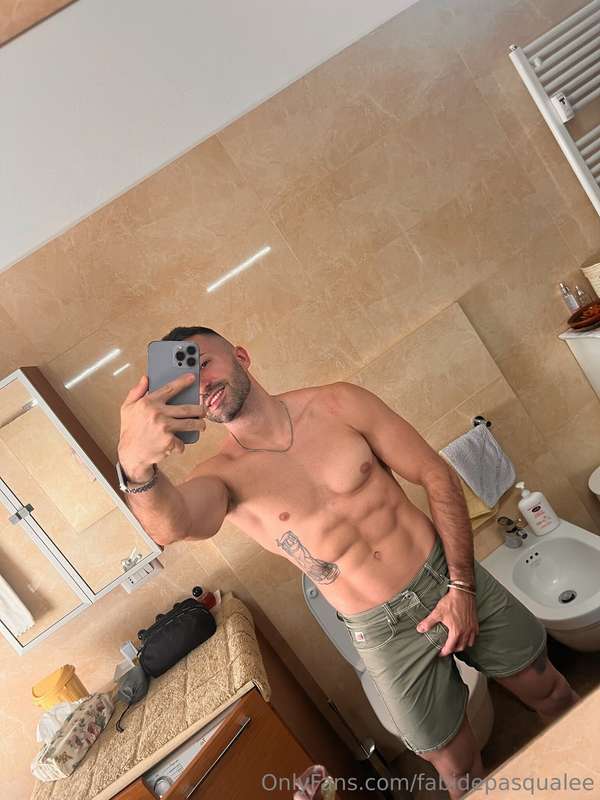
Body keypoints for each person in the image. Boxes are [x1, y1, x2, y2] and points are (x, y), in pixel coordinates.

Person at [117, 326, 580, 799]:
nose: (201, 385)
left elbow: (434, 474)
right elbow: (170, 526)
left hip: (443, 575)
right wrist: (135, 467)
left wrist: (461, 585)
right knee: (459, 773)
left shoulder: (338, 403)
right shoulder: (221, 478)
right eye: (186, 381)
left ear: (241, 355)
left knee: (553, 693)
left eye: (204, 364)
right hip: (382, 632)